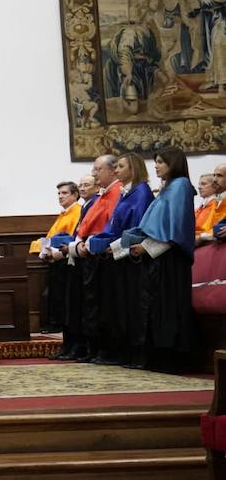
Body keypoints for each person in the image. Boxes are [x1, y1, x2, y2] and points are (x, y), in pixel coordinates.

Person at [120, 148, 196, 371]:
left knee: (169, 307)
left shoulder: (180, 185)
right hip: (157, 257)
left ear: (173, 164)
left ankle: (172, 358)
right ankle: (157, 355)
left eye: (161, 162)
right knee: (156, 306)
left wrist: (146, 247)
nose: (156, 166)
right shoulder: (167, 187)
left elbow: (176, 229)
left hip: (171, 258)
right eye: (156, 162)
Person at [87, 152, 154, 365]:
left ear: (133, 168)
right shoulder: (127, 192)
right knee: (119, 307)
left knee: (132, 307)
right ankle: (123, 351)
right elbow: (113, 225)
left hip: (132, 257)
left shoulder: (141, 192)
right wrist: (101, 242)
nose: (116, 171)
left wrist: (114, 246)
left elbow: (139, 227)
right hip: (119, 256)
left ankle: (136, 353)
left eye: (121, 167)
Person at [69, 154, 122, 364]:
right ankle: (95, 347)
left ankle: (105, 349)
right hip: (90, 253)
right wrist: (80, 241)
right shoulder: (102, 195)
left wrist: (87, 242)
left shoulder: (116, 193)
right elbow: (87, 223)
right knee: (92, 305)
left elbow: (110, 225)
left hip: (105, 254)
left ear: (112, 170)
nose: (94, 173)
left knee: (103, 305)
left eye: (98, 169)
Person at [54, 174, 100, 361]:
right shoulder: (83, 208)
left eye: (86, 185)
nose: (82, 188)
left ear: (97, 187)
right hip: (71, 256)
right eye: (80, 185)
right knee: (69, 307)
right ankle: (71, 346)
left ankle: (81, 347)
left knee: (79, 307)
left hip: (83, 258)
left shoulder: (90, 206)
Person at [30, 181, 82, 335]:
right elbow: (51, 236)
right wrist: (44, 250)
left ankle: (58, 323)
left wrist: (52, 250)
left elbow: (71, 237)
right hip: (55, 258)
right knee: (55, 293)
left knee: (62, 294)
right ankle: (55, 322)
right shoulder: (64, 213)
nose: (60, 196)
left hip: (66, 259)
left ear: (75, 195)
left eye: (64, 193)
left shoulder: (77, 211)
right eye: (59, 193)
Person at [195, 173, 220, 243]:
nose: (199, 187)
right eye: (199, 184)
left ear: (215, 187)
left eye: (203, 184)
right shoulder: (200, 208)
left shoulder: (217, 206)